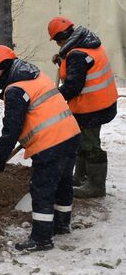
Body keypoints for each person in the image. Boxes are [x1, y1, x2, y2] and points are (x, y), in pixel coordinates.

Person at [0, 45, 81, 251]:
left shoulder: (16, 90)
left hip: (51, 143)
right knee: (64, 184)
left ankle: (41, 239)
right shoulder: (36, 76)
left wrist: (0, 158)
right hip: (71, 134)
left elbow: (11, 129)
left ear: (3, 67)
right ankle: (62, 225)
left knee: (42, 190)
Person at [48, 17, 118, 198]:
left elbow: (73, 86)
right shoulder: (88, 43)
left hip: (92, 107)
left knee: (90, 144)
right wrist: (63, 59)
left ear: (61, 38)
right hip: (102, 102)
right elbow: (83, 67)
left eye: (57, 41)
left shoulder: (77, 55)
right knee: (82, 140)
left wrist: (54, 100)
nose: (57, 44)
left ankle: (95, 186)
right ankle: (80, 178)